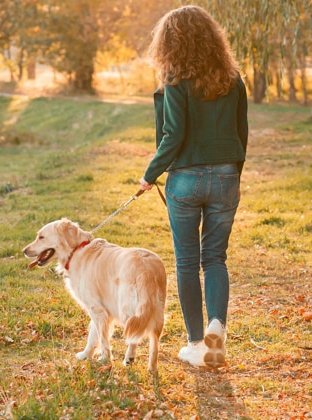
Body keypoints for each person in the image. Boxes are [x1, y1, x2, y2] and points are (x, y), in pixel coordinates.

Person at [139, 5, 248, 368]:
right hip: (226, 175)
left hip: (185, 178)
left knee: (187, 263)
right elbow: (241, 133)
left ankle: (196, 344)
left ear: (170, 42)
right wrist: (233, 174)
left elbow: (173, 135)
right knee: (215, 258)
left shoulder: (174, 79)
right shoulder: (233, 78)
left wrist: (149, 174)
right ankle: (218, 323)